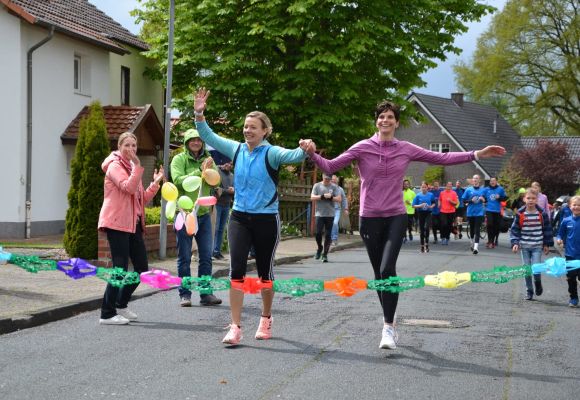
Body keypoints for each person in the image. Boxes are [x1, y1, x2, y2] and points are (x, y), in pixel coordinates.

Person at [300, 100, 505, 350]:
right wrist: (311, 153)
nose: (385, 121)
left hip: (395, 216)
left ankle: (388, 327)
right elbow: (331, 166)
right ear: (376, 121)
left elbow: (441, 157)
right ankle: (391, 316)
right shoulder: (362, 147)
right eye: (381, 117)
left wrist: (476, 154)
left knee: (388, 268)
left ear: (396, 122)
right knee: (379, 275)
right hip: (369, 217)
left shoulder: (405, 148)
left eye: (390, 117)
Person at [193, 88, 308, 345]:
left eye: (253, 127)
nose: (247, 130)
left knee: (265, 273)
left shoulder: (272, 152)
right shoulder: (236, 150)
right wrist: (199, 114)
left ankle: (266, 318)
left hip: (266, 219)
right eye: (245, 127)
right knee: (236, 271)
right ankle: (235, 326)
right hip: (239, 217)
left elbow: (294, 155)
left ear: (265, 131)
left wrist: (305, 148)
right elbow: (208, 134)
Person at [98, 132, 164, 325]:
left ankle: (121, 303)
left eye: (134, 146)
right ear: (119, 147)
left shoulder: (130, 167)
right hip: (117, 222)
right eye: (127, 145)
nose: (131, 149)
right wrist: (137, 168)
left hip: (132, 224)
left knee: (142, 269)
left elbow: (140, 198)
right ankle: (107, 313)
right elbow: (127, 187)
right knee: (119, 268)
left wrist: (155, 183)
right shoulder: (115, 166)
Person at [171, 129, 222, 307]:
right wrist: (199, 172)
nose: (196, 143)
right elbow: (177, 180)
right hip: (184, 214)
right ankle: (185, 295)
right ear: (186, 142)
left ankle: (206, 294)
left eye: (199, 140)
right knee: (184, 257)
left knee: (206, 257)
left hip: (203, 214)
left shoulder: (209, 160)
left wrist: (209, 172)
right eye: (192, 140)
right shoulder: (179, 159)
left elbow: (215, 181)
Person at [509, 188, 553, 300]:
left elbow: (547, 229)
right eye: (528, 198)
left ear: (537, 200)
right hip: (524, 246)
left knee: (536, 268)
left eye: (533, 198)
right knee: (526, 270)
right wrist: (515, 243)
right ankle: (529, 291)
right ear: (524, 199)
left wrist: (547, 244)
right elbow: (515, 230)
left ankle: (537, 282)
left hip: (537, 246)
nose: (531, 200)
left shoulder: (541, 214)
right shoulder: (520, 213)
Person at [556, 195, 580, 307]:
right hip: (570, 254)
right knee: (571, 278)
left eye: (579, 205)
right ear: (570, 206)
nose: (577, 207)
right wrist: (559, 239)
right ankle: (573, 298)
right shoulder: (566, 220)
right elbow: (560, 233)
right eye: (574, 205)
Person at [311, 173, 341, 261]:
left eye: (329, 179)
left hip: (330, 214)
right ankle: (319, 248)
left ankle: (325, 254)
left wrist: (331, 197)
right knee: (318, 233)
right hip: (319, 213)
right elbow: (312, 197)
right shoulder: (317, 186)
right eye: (325, 179)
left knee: (328, 235)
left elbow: (339, 199)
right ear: (322, 177)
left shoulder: (334, 187)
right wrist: (322, 196)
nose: (327, 181)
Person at [212, 160, 234, 260]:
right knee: (215, 229)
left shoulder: (232, 176)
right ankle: (211, 252)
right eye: (227, 163)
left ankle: (217, 251)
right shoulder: (216, 171)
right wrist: (227, 191)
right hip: (217, 204)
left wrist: (233, 190)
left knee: (221, 229)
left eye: (231, 164)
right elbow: (215, 189)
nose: (228, 165)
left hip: (227, 204)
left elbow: (236, 189)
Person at [462, 174, 487, 255]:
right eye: (474, 178)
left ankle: (476, 247)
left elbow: (486, 200)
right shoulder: (468, 190)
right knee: (472, 229)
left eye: (477, 178)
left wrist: (483, 200)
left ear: (479, 180)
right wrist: (471, 201)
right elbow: (464, 201)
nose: (475, 180)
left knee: (477, 229)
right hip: (470, 212)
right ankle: (472, 241)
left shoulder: (483, 190)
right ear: (472, 180)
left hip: (479, 212)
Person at [412, 182, 436, 253]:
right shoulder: (418, 195)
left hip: (428, 213)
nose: (424, 188)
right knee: (422, 230)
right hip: (420, 213)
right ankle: (422, 245)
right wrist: (420, 205)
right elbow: (413, 205)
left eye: (425, 187)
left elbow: (434, 203)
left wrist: (430, 206)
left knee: (427, 227)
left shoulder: (431, 195)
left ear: (427, 188)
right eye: (422, 187)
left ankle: (427, 244)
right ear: (420, 188)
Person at [484, 177, 507, 248]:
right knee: (489, 224)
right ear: (490, 182)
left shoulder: (500, 189)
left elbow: (505, 198)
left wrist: (499, 198)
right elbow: (483, 197)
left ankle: (492, 241)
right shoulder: (486, 189)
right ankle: (490, 240)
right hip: (489, 209)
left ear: (496, 181)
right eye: (491, 181)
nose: (492, 182)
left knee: (495, 226)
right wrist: (483, 200)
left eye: (494, 181)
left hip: (497, 210)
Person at [438, 181, 458, 245]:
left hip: (451, 211)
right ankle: (443, 237)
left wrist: (451, 201)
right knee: (444, 224)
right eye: (448, 185)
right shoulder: (442, 193)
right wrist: (439, 204)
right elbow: (439, 199)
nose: (449, 186)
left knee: (449, 225)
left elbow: (456, 203)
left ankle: (447, 238)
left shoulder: (454, 193)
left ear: (452, 186)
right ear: (446, 186)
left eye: (450, 185)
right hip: (443, 211)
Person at [330, 175, 348, 246]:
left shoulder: (340, 189)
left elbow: (344, 199)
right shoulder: (328, 188)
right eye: (332, 180)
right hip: (328, 209)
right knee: (330, 224)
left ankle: (334, 239)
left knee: (335, 223)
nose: (333, 181)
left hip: (337, 209)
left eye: (335, 180)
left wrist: (345, 209)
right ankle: (330, 239)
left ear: (337, 181)